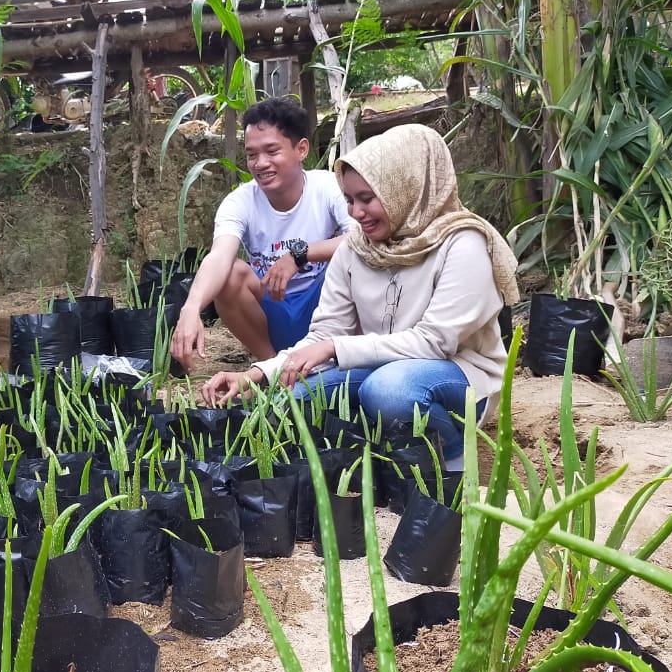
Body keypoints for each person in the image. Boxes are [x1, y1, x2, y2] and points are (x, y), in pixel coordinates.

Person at [200, 124, 519, 470]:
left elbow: (436, 342)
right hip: (380, 369)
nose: (355, 213)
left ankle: (454, 461)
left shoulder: (462, 244)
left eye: (367, 199)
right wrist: (256, 374)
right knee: (293, 399)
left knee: (389, 392)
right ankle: (388, 456)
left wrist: (337, 349)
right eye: (350, 200)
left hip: (460, 377)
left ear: (404, 188)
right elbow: (322, 335)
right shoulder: (357, 249)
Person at [170, 97, 353, 373]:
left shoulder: (327, 187)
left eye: (272, 151)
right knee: (230, 274)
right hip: (271, 314)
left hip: (325, 311)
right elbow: (219, 256)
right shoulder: (240, 202)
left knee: (357, 263)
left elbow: (363, 241)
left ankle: (341, 356)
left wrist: (300, 254)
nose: (260, 163)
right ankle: (271, 368)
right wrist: (191, 308)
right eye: (252, 154)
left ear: (301, 149)